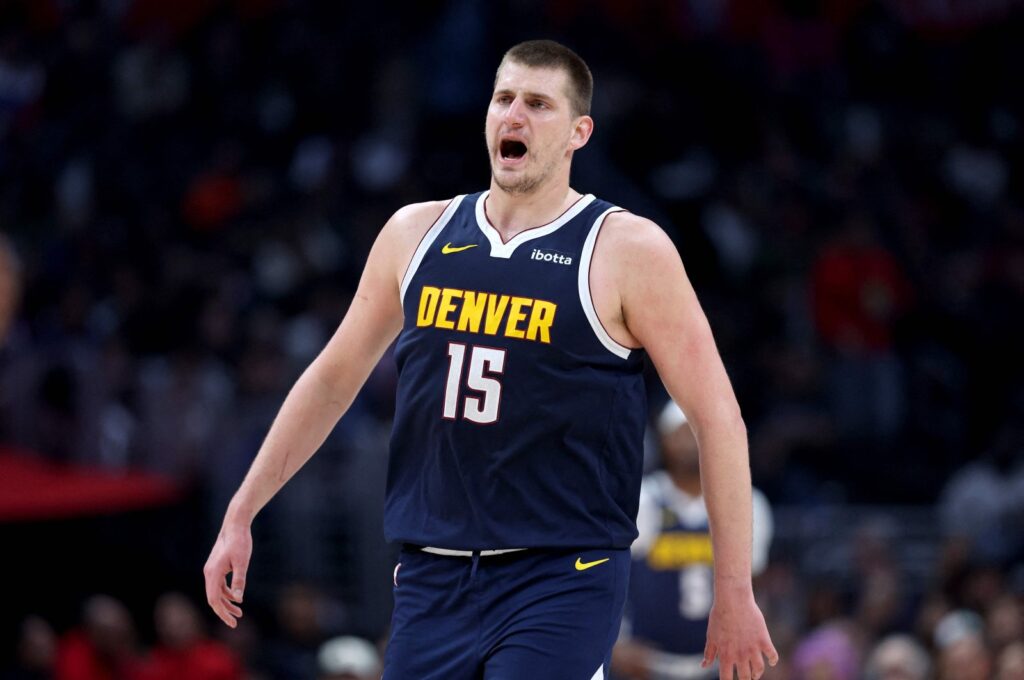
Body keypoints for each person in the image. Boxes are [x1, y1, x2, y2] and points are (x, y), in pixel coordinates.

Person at [204, 39, 777, 680]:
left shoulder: (627, 250)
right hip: (432, 573)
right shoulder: (414, 234)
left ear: (578, 132)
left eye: (538, 104)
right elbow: (333, 380)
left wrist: (734, 590)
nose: (514, 117)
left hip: (562, 575)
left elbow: (717, 418)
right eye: (504, 99)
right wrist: (242, 510)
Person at [612, 401, 773, 680]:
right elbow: (612, 578)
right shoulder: (644, 498)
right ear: (664, 440)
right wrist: (615, 641)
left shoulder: (745, 502)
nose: (690, 440)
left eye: (696, 430)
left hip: (718, 666)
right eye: (680, 431)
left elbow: (757, 587)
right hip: (644, 665)